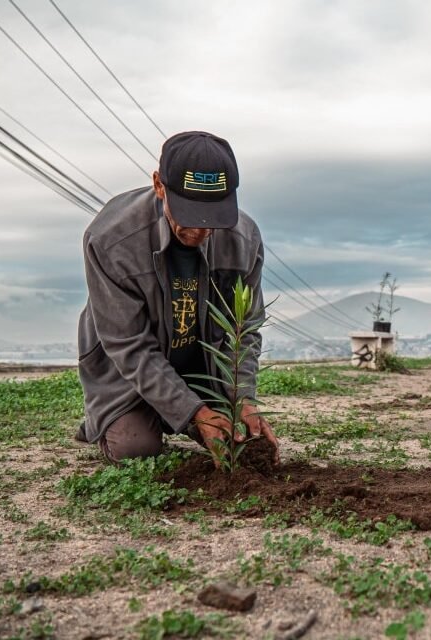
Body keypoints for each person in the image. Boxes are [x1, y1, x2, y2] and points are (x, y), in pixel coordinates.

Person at [75, 131, 279, 464]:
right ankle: (110, 417)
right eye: (189, 213)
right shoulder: (111, 240)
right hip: (128, 376)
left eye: (213, 216)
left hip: (202, 368)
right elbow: (128, 346)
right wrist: (196, 414)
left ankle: (181, 410)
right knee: (136, 449)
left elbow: (244, 331)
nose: (201, 231)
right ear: (159, 185)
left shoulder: (245, 239)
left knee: (240, 439)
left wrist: (242, 400)